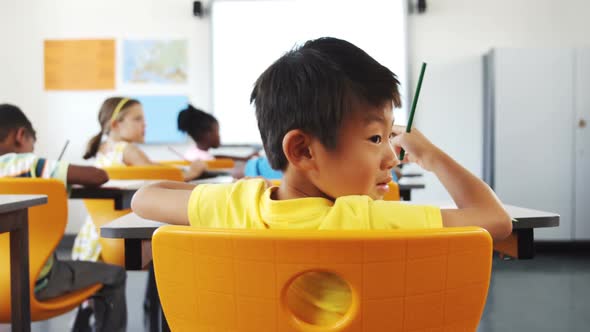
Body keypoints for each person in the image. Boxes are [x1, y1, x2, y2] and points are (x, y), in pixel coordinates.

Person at [131, 37, 512, 324]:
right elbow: (494, 220)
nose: (392, 156)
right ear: (303, 151)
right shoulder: (367, 219)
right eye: (376, 138)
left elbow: (145, 198)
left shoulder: (238, 205)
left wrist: (245, 191)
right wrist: (430, 154)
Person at [0, 103, 127, 332]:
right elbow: (98, 176)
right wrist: (53, 170)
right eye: (32, 143)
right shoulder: (27, 164)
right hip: (39, 282)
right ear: (20, 136)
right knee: (115, 275)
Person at [73, 97, 207, 261]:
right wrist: (193, 171)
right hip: (130, 231)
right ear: (116, 124)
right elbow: (165, 177)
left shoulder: (103, 150)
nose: (145, 124)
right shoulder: (127, 150)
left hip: (93, 234)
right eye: (138, 119)